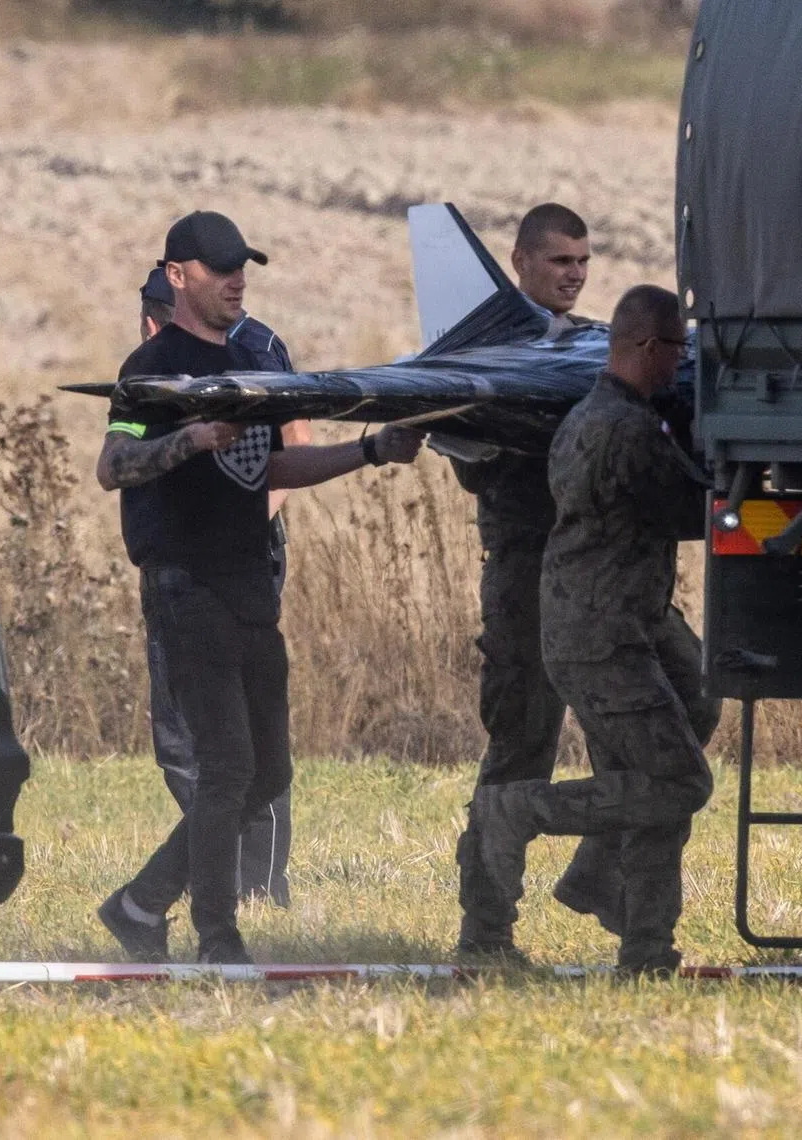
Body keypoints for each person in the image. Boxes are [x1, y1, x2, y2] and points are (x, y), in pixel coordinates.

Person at [97, 210, 423, 964]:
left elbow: (271, 469)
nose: (237, 279)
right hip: (185, 585)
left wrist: (370, 449)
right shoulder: (152, 372)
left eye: (242, 265)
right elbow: (114, 466)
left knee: (267, 769)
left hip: (248, 583)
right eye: (219, 268)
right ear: (178, 277)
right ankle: (219, 936)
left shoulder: (252, 361)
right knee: (227, 766)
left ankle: (140, 903)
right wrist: (187, 438)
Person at [459, 285, 721, 975]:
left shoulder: (594, 415)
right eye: (674, 350)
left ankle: (642, 941)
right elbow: (689, 510)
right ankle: (520, 812)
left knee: (686, 718)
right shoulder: (624, 430)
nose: (678, 365)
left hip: (621, 621)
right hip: (602, 634)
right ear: (645, 348)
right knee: (678, 781)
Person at [451, 203, 613, 958]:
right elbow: (464, 456)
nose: (574, 275)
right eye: (559, 262)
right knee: (523, 744)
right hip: (524, 575)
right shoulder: (495, 353)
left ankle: (600, 873)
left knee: (673, 720)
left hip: (600, 572)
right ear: (518, 260)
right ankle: (486, 929)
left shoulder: (588, 346)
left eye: (582, 262)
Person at [135, 266, 312, 908]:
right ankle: (212, 879)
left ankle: (254, 885)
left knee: (236, 741)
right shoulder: (161, 364)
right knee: (191, 740)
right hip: (185, 563)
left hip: (235, 564)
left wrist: (232, 530)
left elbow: (294, 447)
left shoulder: (257, 350)